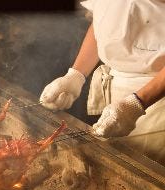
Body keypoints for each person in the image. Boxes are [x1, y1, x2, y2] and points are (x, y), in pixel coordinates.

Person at [39, 0, 165, 162]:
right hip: (117, 92)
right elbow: (103, 21)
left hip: (157, 102)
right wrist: (76, 75)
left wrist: (137, 103)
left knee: (145, 170)